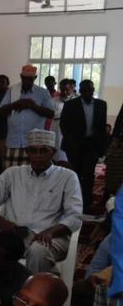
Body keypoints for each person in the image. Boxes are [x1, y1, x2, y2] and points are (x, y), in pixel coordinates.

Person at [0, 128, 82, 272]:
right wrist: (1, 221)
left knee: (38, 251)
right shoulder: (12, 174)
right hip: (15, 235)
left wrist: (50, 232)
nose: (38, 155)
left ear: (53, 152)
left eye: (44, 151)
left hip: (52, 237)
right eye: (33, 151)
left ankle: (33, 287)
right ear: (27, 152)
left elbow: (75, 216)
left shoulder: (67, 177)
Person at [60, 78, 108, 213]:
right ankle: (73, 202)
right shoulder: (70, 104)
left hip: (91, 145)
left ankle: (86, 204)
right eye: (85, 90)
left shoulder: (101, 105)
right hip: (74, 145)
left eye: (90, 90)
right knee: (75, 174)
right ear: (80, 91)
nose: (87, 93)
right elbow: (64, 125)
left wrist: (102, 147)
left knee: (88, 175)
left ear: (93, 90)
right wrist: (72, 143)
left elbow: (102, 127)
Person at [0, 64, 55, 168]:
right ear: (21, 77)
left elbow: (51, 113)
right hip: (14, 142)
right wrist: (17, 103)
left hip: (35, 144)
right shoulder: (12, 90)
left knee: (33, 174)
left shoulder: (43, 93)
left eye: (30, 79)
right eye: (24, 78)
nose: (27, 81)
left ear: (35, 78)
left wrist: (32, 106)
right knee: (12, 174)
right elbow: (1, 111)